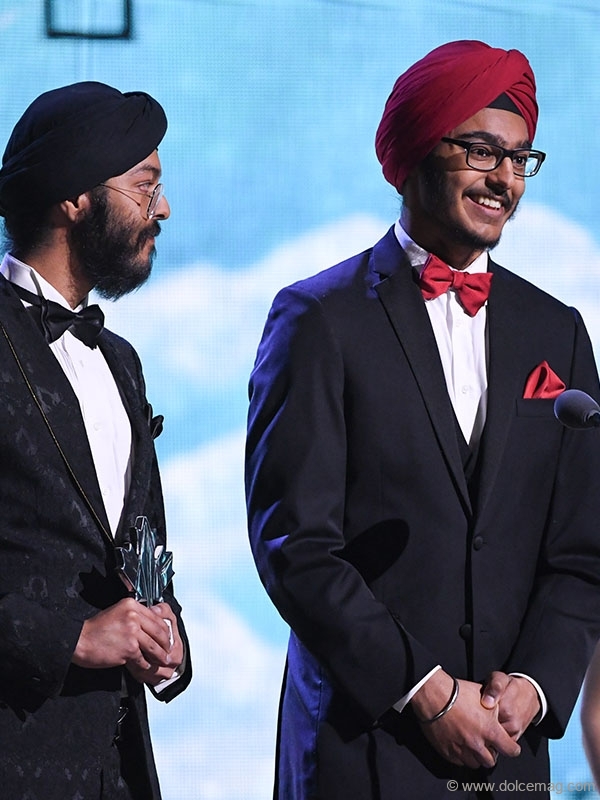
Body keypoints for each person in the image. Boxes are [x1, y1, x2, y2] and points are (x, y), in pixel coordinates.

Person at [245, 40, 600, 799]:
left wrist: (534, 687)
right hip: (363, 749)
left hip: (506, 755)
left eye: (520, 160)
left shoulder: (558, 332)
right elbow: (295, 546)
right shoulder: (318, 319)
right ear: (415, 153)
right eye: (482, 152)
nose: (505, 179)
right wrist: (426, 692)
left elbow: (581, 548)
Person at [0, 82, 191, 800]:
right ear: (74, 198)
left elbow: (142, 546)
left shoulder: (121, 362)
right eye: (145, 185)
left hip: (120, 769)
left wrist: (166, 633)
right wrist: (72, 639)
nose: (161, 208)